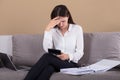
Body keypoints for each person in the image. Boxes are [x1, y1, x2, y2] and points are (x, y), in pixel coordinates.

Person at [24, 4, 84, 80]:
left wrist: (68, 56)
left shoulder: (77, 29)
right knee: (48, 68)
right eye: (58, 22)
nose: (61, 24)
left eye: (63, 21)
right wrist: (47, 29)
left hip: (71, 64)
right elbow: (47, 48)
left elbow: (80, 52)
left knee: (47, 56)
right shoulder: (52, 31)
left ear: (68, 16)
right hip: (56, 62)